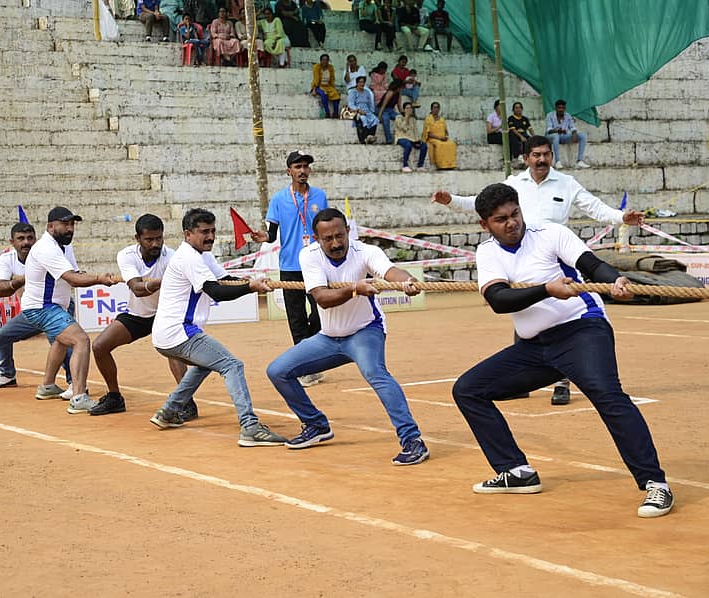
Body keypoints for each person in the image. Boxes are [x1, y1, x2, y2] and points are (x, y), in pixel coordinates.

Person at [452, 182, 674, 519]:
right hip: (534, 347)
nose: (512, 223)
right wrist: (547, 289)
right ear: (485, 224)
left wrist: (615, 279)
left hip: (582, 329)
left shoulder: (550, 233)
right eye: (501, 219)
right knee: (469, 390)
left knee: (606, 394)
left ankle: (655, 483)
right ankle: (516, 471)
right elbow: (498, 300)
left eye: (515, 214)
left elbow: (592, 264)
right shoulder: (487, 252)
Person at [431, 135, 645, 405]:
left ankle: (562, 382)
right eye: (536, 155)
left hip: (555, 257)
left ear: (552, 156)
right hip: (517, 263)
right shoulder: (512, 185)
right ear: (526, 158)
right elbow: (480, 203)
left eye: (546, 154)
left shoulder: (566, 183)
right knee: (526, 322)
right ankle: (527, 377)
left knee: (561, 319)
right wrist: (451, 201)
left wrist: (620, 217)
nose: (541, 159)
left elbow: (594, 207)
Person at [267, 208, 430, 465]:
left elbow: (390, 271)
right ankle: (316, 425)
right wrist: (355, 289)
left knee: (376, 374)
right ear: (315, 238)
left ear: (348, 232)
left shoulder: (365, 252)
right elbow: (321, 298)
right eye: (328, 238)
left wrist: (407, 281)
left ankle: (412, 440)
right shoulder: (308, 256)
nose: (336, 243)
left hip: (365, 331)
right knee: (277, 371)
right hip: (329, 338)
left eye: (340, 236)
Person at [149, 208, 288, 447]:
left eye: (213, 231)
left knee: (206, 364)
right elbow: (216, 292)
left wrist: (252, 282)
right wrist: (251, 288)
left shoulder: (201, 255)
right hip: (179, 332)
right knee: (231, 365)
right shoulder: (189, 257)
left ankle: (169, 411)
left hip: (168, 334)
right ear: (188, 234)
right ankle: (250, 426)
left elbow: (226, 281)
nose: (210, 237)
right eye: (204, 232)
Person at [90, 214, 195, 418]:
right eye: (149, 239)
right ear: (137, 238)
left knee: (172, 351)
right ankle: (114, 397)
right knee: (99, 346)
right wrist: (162, 281)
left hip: (166, 314)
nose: (155, 243)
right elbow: (137, 289)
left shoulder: (173, 257)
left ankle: (186, 403)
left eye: (159, 238)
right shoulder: (127, 255)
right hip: (137, 314)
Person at [20, 207, 117, 414]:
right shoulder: (47, 248)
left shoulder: (63, 246)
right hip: (42, 308)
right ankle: (79, 396)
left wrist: (94, 276)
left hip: (51, 306)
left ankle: (47, 387)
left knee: (61, 341)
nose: (70, 229)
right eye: (65, 224)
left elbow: (75, 272)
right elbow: (73, 279)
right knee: (80, 340)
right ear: (50, 226)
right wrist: (99, 278)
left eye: (72, 225)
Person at [250, 151, 328, 387]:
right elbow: (272, 234)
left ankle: (310, 361)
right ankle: (303, 367)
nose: (302, 170)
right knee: (296, 318)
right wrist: (261, 236)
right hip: (290, 266)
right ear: (289, 171)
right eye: (298, 166)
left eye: (306, 166)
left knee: (321, 313)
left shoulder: (320, 196)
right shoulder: (278, 199)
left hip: (315, 263)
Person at [0, 222, 76, 396]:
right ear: (12, 242)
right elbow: (0, 290)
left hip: (57, 306)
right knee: (3, 335)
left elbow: (72, 276)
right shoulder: (6, 259)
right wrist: (18, 281)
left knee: (61, 341)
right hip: (33, 309)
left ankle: (73, 383)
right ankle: (6, 374)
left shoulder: (47, 251)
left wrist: (27, 277)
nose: (26, 242)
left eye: (30, 238)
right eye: (21, 239)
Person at [546, 99, 589, 169]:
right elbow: (549, 130)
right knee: (556, 136)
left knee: (582, 136)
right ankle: (557, 161)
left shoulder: (568, 116)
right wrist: (558, 131)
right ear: (556, 108)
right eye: (559, 108)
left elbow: (572, 127)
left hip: (563, 137)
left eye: (563, 108)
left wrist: (574, 133)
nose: (561, 110)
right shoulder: (550, 115)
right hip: (551, 137)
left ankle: (579, 160)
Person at [422, 101, 456, 169]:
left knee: (451, 144)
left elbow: (446, 131)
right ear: (431, 109)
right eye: (434, 107)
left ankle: (450, 165)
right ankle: (441, 165)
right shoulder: (428, 119)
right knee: (439, 144)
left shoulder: (442, 119)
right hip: (432, 139)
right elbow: (428, 133)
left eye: (437, 108)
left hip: (442, 138)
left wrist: (445, 137)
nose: (436, 109)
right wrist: (439, 138)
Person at [394, 102, 426, 171]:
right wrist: (407, 117)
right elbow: (402, 127)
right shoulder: (398, 117)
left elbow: (415, 131)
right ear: (403, 109)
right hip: (401, 138)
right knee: (408, 145)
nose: (409, 110)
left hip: (412, 139)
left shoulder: (413, 119)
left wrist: (418, 140)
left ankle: (420, 166)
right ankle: (405, 165)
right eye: (407, 108)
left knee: (424, 146)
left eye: (410, 108)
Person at [348, 75, 379, 144]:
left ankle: (370, 137)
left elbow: (370, 104)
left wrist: (371, 112)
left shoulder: (367, 92)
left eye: (363, 82)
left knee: (375, 119)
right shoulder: (353, 92)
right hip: (357, 111)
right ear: (357, 83)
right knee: (363, 118)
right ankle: (364, 138)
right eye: (360, 82)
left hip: (367, 110)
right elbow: (351, 104)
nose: (362, 84)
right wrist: (358, 110)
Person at [311, 54, 340, 118]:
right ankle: (327, 112)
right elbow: (316, 78)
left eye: (326, 60)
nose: (325, 61)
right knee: (324, 94)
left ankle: (335, 113)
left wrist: (333, 88)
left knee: (337, 96)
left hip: (328, 86)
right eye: (323, 60)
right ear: (321, 61)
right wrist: (314, 89)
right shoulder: (317, 67)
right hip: (319, 86)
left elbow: (332, 79)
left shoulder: (330, 67)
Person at [377, 79, 402, 145]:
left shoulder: (399, 94)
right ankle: (389, 139)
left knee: (400, 117)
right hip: (382, 109)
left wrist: (403, 114)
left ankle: (401, 137)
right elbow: (383, 105)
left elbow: (399, 106)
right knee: (386, 119)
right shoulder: (390, 92)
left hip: (391, 110)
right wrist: (379, 116)